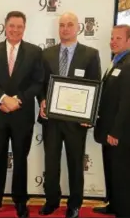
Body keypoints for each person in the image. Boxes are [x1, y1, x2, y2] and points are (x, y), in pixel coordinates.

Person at [38, 12, 102, 218]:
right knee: (51, 162)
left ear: (78, 28)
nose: (65, 28)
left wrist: (89, 116)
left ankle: (74, 204)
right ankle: (51, 200)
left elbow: (95, 87)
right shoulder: (46, 54)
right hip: (52, 120)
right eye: (62, 25)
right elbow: (40, 84)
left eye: (70, 24)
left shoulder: (90, 54)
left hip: (76, 122)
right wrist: (42, 101)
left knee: (75, 163)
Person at [0, 11, 44, 218]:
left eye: (19, 26)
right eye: (12, 26)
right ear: (5, 26)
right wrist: (2, 98)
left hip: (21, 116)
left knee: (20, 160)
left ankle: (20, 201)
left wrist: (17, 100)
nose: (15, 30)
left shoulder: (35, 52)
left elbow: (38, 82)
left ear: (24, 28)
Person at [93, 25, 130, 218]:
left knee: (123, 174)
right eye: (112, 38)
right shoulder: (116, 61)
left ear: (129, 41)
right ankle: (114, 205)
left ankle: (126, 212)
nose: (113, 41)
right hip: (108, 130)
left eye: (118, 38)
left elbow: (127, 104)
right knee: (112, 171)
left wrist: (115, 132)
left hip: (120, 133)